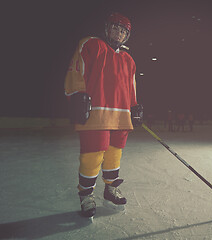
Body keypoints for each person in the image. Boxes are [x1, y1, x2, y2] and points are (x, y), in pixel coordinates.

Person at [64, 12, 142, 218]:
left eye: (124, 31)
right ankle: (86, 194)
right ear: (107, 29)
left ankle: (110, 189)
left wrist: (134, 106)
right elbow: (76, 70)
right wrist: (77, 95)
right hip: (96, 112)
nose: (119, 33)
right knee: (93, 153)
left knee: (115, 153)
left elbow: (131, 87)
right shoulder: (91, 45)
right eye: (116, 28)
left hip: (121, 115)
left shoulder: (129, 59)